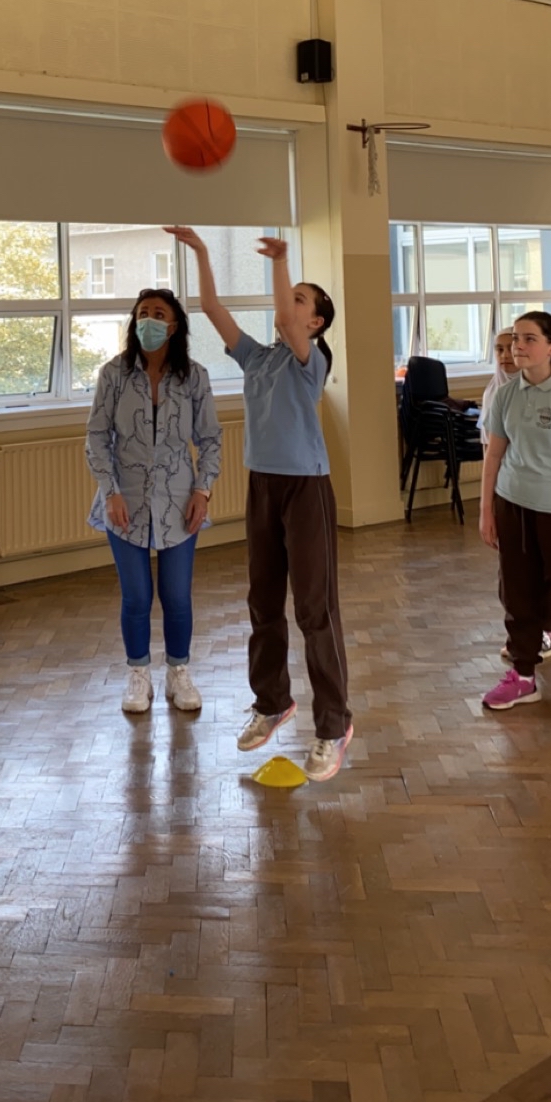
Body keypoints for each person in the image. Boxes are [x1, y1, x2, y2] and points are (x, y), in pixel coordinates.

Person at [165, 227, 351, 782]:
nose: (289, 306)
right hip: (262, 486)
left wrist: (281, 262)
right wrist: (201, 252)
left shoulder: (310, 359)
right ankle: (272, 702)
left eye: (300, 300)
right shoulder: (259, 358)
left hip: (306, 490)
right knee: (263, 602)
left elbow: (288, 323)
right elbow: (210, 308)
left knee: (314, 609)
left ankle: (334, 724)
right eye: (289, 296)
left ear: (316, 322)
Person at [86, 287, 221, 715]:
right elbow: (96, 437)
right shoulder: (114, 374)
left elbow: (211, 439)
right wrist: (110, 492)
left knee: (177, 595)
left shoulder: (194, 376)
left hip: (180, 501)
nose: (148, 320)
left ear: (174, 325)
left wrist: (203, 490)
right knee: (136, 597)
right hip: (123, 500)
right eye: (142, 312)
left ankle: (178, 671)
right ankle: (138, 673)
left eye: (158, 313)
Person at [480, 313, 551, 722]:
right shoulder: (506, 395)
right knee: (518, 594)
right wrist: (487, 512)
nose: (517, 347)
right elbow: (493, 456)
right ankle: (523, 675)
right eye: (515, 340)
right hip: (512, 507)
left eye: (528, 339)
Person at [483, 329, 551, 666]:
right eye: (498, 349)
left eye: (510, 347)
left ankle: (547, 631)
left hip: (544, 496)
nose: (505, 355)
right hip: (508, 495)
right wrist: (488, 504)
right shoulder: (495, 393)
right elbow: (491, 451)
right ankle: (523, 638)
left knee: (547, 570)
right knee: (512, 575)